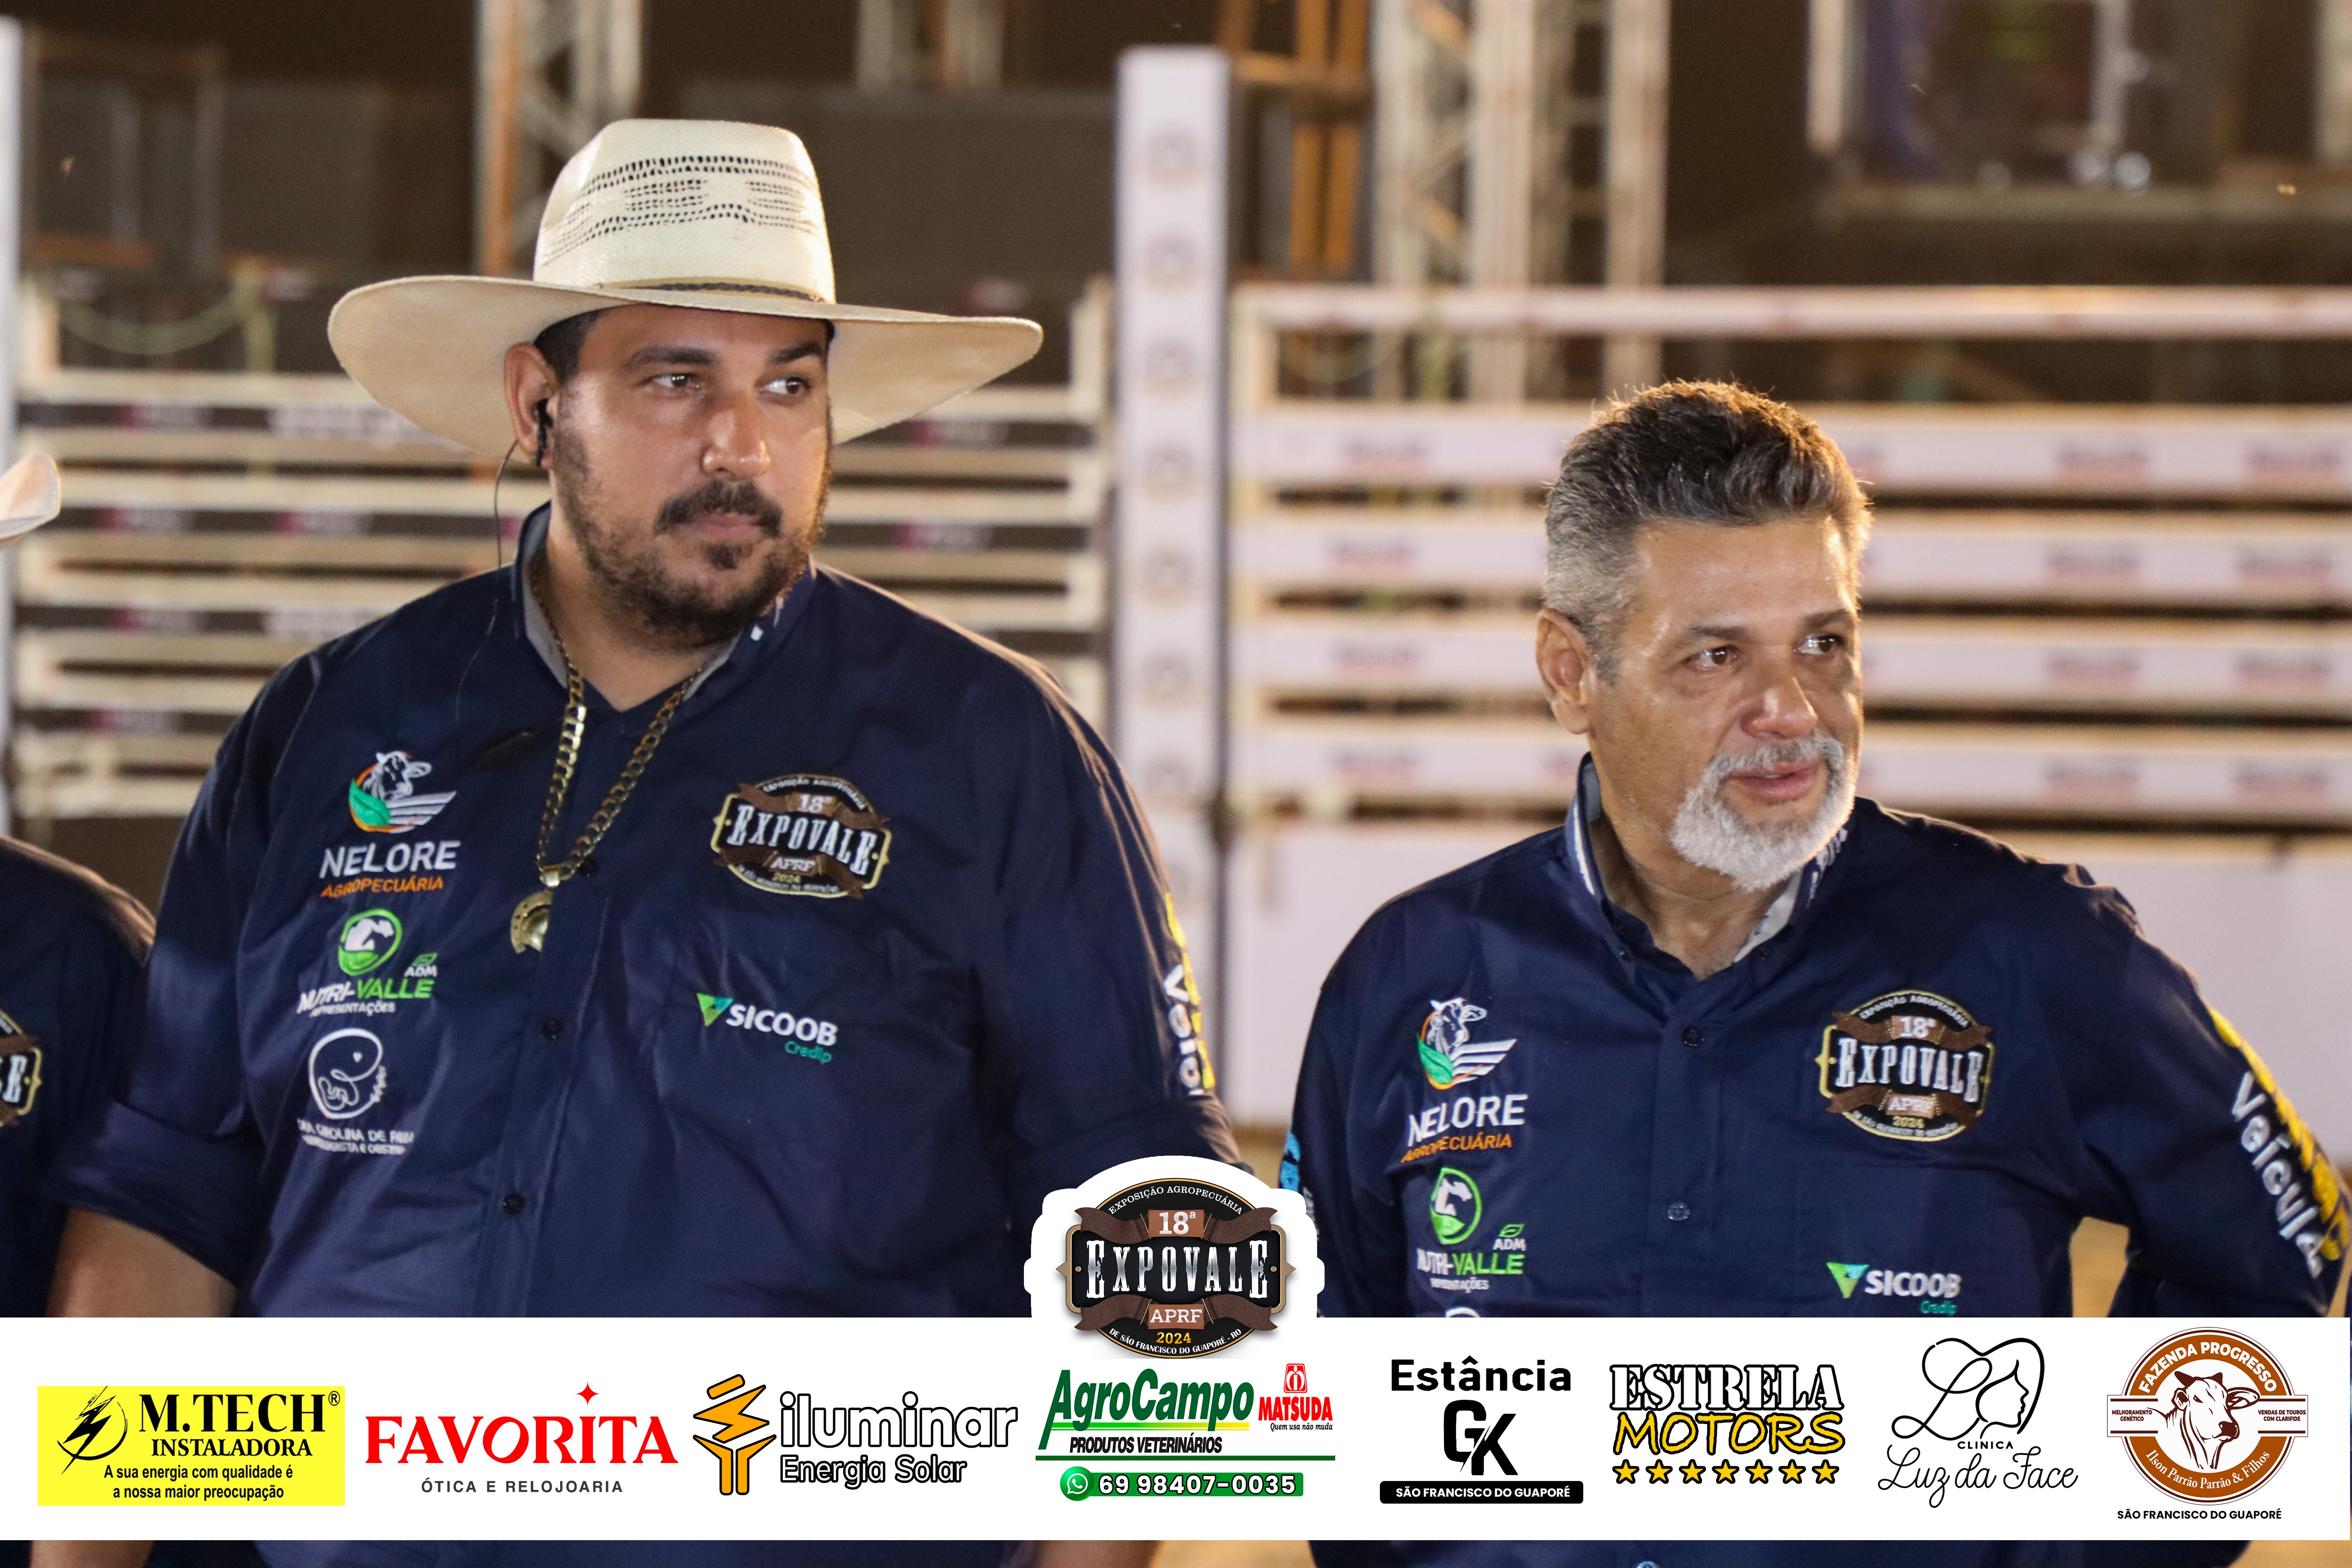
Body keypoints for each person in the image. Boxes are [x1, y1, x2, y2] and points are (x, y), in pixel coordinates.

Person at [41, 120, 1220, 1568]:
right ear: (539, 406)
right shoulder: (328, 726)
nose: (743, 446)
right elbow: (172, 1198)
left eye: (790, 385)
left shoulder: (989, 747)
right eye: (676, 381)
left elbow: (1158, 1229)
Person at [1283, 381, 2341, 1568]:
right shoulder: (1412, 975)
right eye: (1716, 655)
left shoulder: (2034, 951)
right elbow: (1328, 1382)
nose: (1790, 712)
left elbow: (2281, 1248)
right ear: (1572, 673)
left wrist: (2097, 1544)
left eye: (1824, 645)